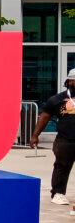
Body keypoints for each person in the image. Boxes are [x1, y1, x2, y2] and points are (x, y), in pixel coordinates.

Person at [29, 68, 75, 205]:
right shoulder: (57, 99)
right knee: (62, 166)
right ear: (70, 81)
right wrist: (35, 135)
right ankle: (58, 193)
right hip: (65, 140)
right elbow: (44, 117)